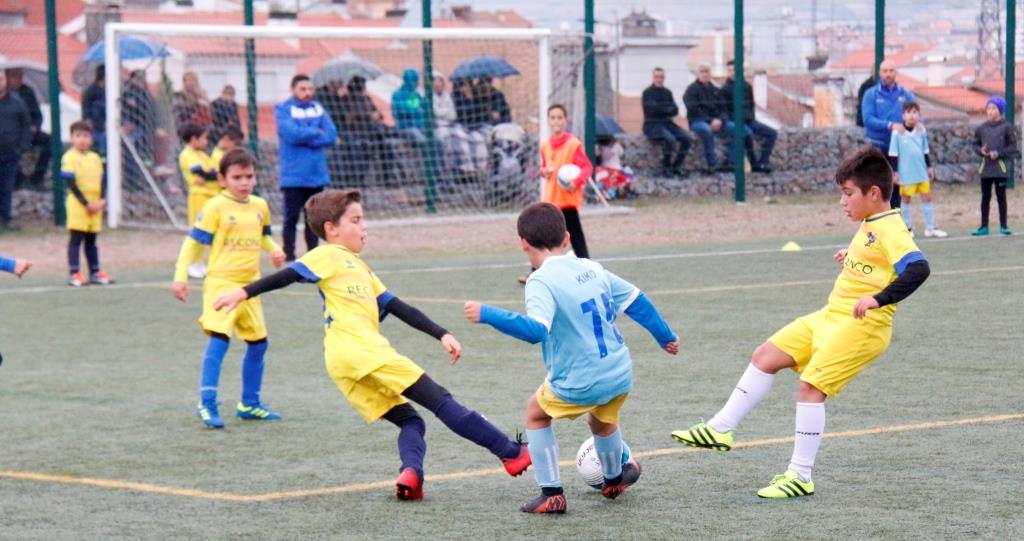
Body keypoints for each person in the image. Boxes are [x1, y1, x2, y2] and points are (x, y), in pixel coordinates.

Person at [211, 189, 532, 500]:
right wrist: (242, 292)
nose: (364, 227)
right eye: (356, 220)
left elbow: (397, 306)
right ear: (331, 229)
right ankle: (510, 452)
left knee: (410, 420)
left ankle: (411, 475)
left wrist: (441, 333)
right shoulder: (326, 254)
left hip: (341, 361)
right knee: (441, 402)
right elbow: (287, 275)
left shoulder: (361, 268)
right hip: (365, 350)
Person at [672, 146, 930, 499]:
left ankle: (800, 475)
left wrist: (876, 299)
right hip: (830, 315)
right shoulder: (872, 222)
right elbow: (878, 257)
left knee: (810, 389)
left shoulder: (891, 227)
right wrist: (852, 256)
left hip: (862, 326)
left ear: (873, 193)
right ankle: (720, 428)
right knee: (765, 355)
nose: (842, 201)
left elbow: (918, 268)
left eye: (848, 193)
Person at [463, 202, 679, 513]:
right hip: (619, 372)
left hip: (581, 379)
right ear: (566, 238)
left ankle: (551, 493)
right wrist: (666, 337)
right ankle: (614, 479)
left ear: (522, 242)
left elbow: (536, 331)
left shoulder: (540, 280)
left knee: (536, 413)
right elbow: (636, 300)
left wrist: (488, 314)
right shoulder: (591, 267)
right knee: (601, 422)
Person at [172, 148, 287, 429]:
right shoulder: (215, 207)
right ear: (222, 179)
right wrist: (180, 276)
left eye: (249, 176)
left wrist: (275, 250)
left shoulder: (260, 205)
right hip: (221, 282)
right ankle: (207, 402)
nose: (244, 182)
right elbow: (193, 243)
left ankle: (249, 403)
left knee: (259, 343)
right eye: (237, 177)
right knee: (219, 339)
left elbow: (263, 237)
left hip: (251, 286)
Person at [274, 74, 337, 262]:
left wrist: (306, 135)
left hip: (316, 175)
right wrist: (315, 132)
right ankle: (290, 258)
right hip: (293, 176)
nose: (307, 93)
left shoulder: (318, 109)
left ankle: (312, 258)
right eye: (303, 89)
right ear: (293, 89)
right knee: (291, 218)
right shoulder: (284, 109)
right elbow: (290, 134)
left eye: (310, 89)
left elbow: (331, 135)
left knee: (314, 219)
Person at [62, 120, 112, 287]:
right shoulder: (69, 157)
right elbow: (70, 183)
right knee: (76, 239)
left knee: (92, 240)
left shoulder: (95, 158)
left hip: (95, 205)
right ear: (72, 138)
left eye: (85, 136)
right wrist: (85, 203)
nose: (82, 139)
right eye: (78, 136)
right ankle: (74, 272)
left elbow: (103, 180)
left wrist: (102, 200)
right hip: (78, 205)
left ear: (91, 138)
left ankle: (95, 271)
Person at [862, 60, 915, 210]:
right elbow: (868, 119)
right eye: (885, 71)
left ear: (896, 73)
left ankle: (898, 222)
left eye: (891, 71)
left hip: (899, 148)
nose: (888, 74)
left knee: (898, 186)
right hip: (878, 146)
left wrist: (916, 124)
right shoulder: (870, 95)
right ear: (879, 73)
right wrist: (889, 125)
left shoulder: (906, 94)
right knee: (878, 186)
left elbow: (915, 114)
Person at [540, 104, 592, 260]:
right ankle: (536, 270)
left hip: (567, 201)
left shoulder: (573, 144)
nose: (556, 121)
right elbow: (544, 168)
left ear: (565, 120)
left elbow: (587, 167)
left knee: (575, 237)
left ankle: (587, 265)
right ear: (548, 121)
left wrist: (575, 182)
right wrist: (544, 172)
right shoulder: (545, 146)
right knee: (543, 236)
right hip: (550, 200)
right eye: (553, 117)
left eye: (560, 117)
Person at [887, 102, 946, 237]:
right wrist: (895, 173)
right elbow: (894, 154)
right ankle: (907, 228)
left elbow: (925, 151)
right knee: (906, 199)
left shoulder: (921, 130)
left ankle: (930, 228)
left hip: (921, 172)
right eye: (908, 113)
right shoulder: (897, 132)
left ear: (919, 115)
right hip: (906, 173)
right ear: (903, 115)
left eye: (914, 112)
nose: (911, 116)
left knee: (927, 197)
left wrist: (929, 167)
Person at [721, 60, 777, 173]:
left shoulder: (747, 86)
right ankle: (753, 163)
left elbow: (751, 104)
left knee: (772, 133)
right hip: (735, 121)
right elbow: (724, 109)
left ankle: (763, 162)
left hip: (749, 120)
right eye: (729, 70)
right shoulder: (725, 89)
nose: (732, 72)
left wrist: (750, 116)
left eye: (734, 70)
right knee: (746, 134)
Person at [972, 96, 1017, 236]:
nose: (990, 111)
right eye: (989, 108)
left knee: (1001, 198)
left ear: (1000, 110)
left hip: (1000, 169)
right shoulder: (981, 128)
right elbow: (975, 145)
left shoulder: (1007, 127)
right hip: (985, 169)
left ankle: (1003, 226)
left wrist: (998, 153)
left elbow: (1013, 148)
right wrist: (981, 151)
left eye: (994, 108)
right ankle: (983, 227)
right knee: (985, 198)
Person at [642, 67, 692, 177]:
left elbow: (675, 109)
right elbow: (651, 110)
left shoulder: (667, 92)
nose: (659, 79)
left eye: (661, 77)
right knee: (670, 139)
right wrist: (666, 109)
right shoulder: (647, 93)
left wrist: (662, 109)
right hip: (653, 125)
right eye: (657, 77)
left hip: (667, 123)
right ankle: (666, 168)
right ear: (653, 78)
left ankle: (676, 166)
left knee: (687, 138)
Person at [6, 68, 51, 188]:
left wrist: (35, 126)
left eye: (20, 76)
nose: (18, 79)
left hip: (29, 132)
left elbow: (37, 114)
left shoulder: (28, 92)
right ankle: (17, 178)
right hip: (10, 134)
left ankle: (38, 177)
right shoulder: (4, 95)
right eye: (14, 76)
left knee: (49, 141)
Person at [0, 70, 30, 231]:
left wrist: (22, 147)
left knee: (6, 187)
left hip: (10, 153)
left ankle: (6, 220)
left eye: (1, 79)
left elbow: (26, 125)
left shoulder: (17, 102)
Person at [683, 64, 727, 172]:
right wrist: (710, 121)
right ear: (697, 74)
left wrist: (720, 119)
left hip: (718, 121)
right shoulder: (691, 90)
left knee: (734, 129)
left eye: (707, 71)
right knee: (707, 130)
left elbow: (724, 108)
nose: (705, 74)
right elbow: (693, 109)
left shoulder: (716, 90)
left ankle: (731, 161)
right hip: (698, 121)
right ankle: (712, 163)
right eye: (702, 71)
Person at [431, 74, 474, 173]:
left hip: (451, 125)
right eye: (435, 82)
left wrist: (443, 113)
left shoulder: (447, 97)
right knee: (445, 140)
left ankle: (467, 165)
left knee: (462, 136)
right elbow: (435, 112)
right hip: (438, 127)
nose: (438, 84)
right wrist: (445, 112)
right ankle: (448, 169)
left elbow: (453, 115)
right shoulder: (430, 97)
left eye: (440, 82)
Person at [453, 79, 489, 171]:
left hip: (474, 127)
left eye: (468, 85)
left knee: (480, 139)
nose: (467, 88)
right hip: (460, 126)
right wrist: (467, 100)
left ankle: (482, 167)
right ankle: (468, 167)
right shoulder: (455, 97)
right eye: (464, 85)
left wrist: (471, 99)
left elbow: (479, 115)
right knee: (463, 140)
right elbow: (461, 115)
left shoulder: (475, 97)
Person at [392, 68, 427, 142]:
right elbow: (404, 112)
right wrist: (417, 110)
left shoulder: (416, 95)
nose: (417, 83)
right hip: (405, 127)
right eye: (414, 80)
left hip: (420, 125)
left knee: (437, 139)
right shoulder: (398, 95)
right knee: (423, 142)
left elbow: (424, 109)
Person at [81, 65, 107, 155]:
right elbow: (86, 111)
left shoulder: (110, 91)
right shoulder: (91, 91)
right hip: (96, 127)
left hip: (106, 126)